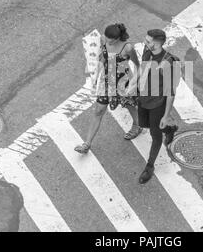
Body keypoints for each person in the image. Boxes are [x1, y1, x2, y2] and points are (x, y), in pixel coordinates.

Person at [75, 24, 142, 154]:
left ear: (117, 38)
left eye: (111, 39)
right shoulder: (103, 39)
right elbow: (103, 58)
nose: (108, 40)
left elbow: (138, 66)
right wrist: (95, 74)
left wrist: (134, 83)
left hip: (123, 81)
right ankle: (87, 144)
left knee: (130, 106)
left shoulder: (127, 48)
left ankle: (137, 125)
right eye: (106, 37)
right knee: (98, 111)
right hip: (107, 81)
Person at [128, 29, 180, 184]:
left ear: (157, 43)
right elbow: (142, 69)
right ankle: (169, 129)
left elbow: (171, 93)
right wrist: (132, 84)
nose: (145, 42)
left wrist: (165, 115)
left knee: (155, 136)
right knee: (147, 126)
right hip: (144, 99)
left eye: (149, 41)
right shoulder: (147, 51)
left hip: (157, 103)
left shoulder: (167, 62)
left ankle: (149, 167)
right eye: (146, 40)